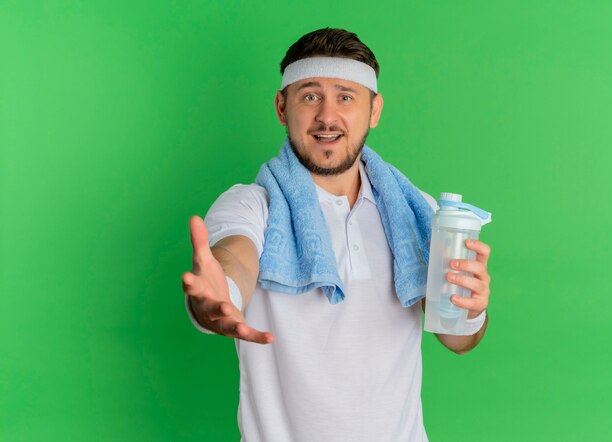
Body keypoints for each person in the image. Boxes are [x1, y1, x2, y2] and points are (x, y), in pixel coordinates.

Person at [182, 28, 492, 442]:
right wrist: (217, 297)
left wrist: (471, 309)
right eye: (310, 96)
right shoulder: (251, 205)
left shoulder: (418, 212)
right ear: (281, 106)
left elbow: (458, 340)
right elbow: (234, 259)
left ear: (374, 110)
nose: (327, 116)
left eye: (346, 96)